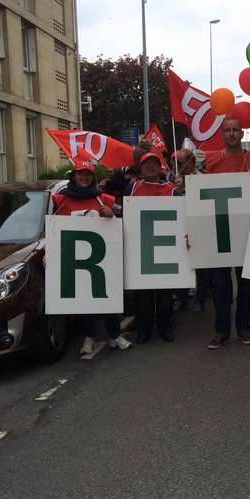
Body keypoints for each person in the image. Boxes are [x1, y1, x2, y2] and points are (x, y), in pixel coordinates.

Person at [52, 160, 132, 354]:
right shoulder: (60, 200)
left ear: (93, 177)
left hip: (101, 258)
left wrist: (111, 214)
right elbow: (54, 230)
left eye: (88, 174)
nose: (84, 178)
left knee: (107, 297)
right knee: (85, 301)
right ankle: (89, 338)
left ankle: (114, 336)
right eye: (81, 174)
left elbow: (120, 222)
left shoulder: (104, 199)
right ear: (74, 176)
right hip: (75, 258)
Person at [202, 116, 250, 349]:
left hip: (246, 228)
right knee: (220, 283)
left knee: (246, 282)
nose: (231, 134)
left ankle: (244, 326)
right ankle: (221, 330)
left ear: (242, 133)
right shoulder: (212, 161)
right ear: (222, 134)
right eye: (227, 130)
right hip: (220, 229)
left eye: (235, 130)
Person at [125, 151, 178, 344]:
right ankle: (144, 330)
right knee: (144, 295)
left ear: (160, 166)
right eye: (147, 163)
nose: (150, 166)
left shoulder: (172, 189)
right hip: (141, 247)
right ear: (140, 167)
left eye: (154, 163)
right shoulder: (132, 188)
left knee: (164, 294)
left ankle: (165, 328)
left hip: (164, 247)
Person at [172, 148, 209, 314]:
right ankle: (181, 297)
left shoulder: (203, 179)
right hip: (180, 226)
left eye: (180, 163)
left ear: (192, 162)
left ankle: (200, 298)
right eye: (175, 163)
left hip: (199, 226)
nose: (177, 166)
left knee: (200, 266)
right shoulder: (173, 180)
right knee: (182, 263)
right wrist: (176, 189)